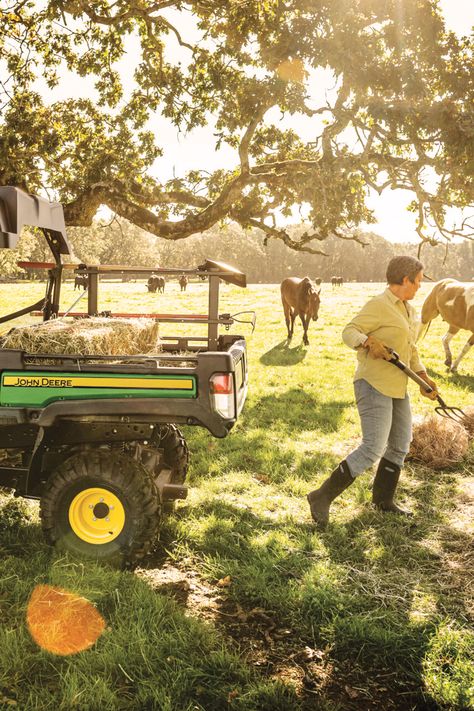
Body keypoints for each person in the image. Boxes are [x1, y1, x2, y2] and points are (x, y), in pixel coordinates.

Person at [307, 256, 438, 528]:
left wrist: (423, 378)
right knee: (373, 447)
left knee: (401, 442)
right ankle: (321, 496)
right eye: (418, 282)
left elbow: (410, 351)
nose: (419, 287)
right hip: (374, 383)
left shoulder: (408, 310)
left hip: (398, 386)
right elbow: (348, 332)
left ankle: (383, 501)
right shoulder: (378, 305)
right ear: (405, 279)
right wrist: (367, 342)